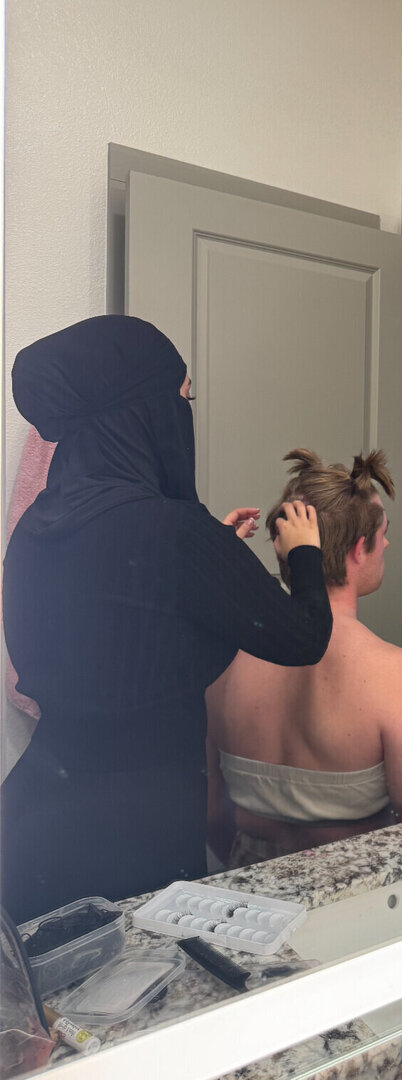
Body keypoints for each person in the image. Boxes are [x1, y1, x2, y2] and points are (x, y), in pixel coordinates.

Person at [1, 316, 332, 922]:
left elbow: (118, 627)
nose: (185, 414)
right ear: (144, 411)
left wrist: (212, 561)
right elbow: (304, 637)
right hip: (133, 829)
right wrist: (305, 554)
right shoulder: (177, 534)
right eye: (182, 397)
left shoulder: (37, 527)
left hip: (34, 817)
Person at [205, 448, 402, 867]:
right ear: (358, 549)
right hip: (357, 891)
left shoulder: (221, 661)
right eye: (383, 533)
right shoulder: (396, 675)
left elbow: (211, 812)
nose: (387, 543)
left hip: (248, 885)